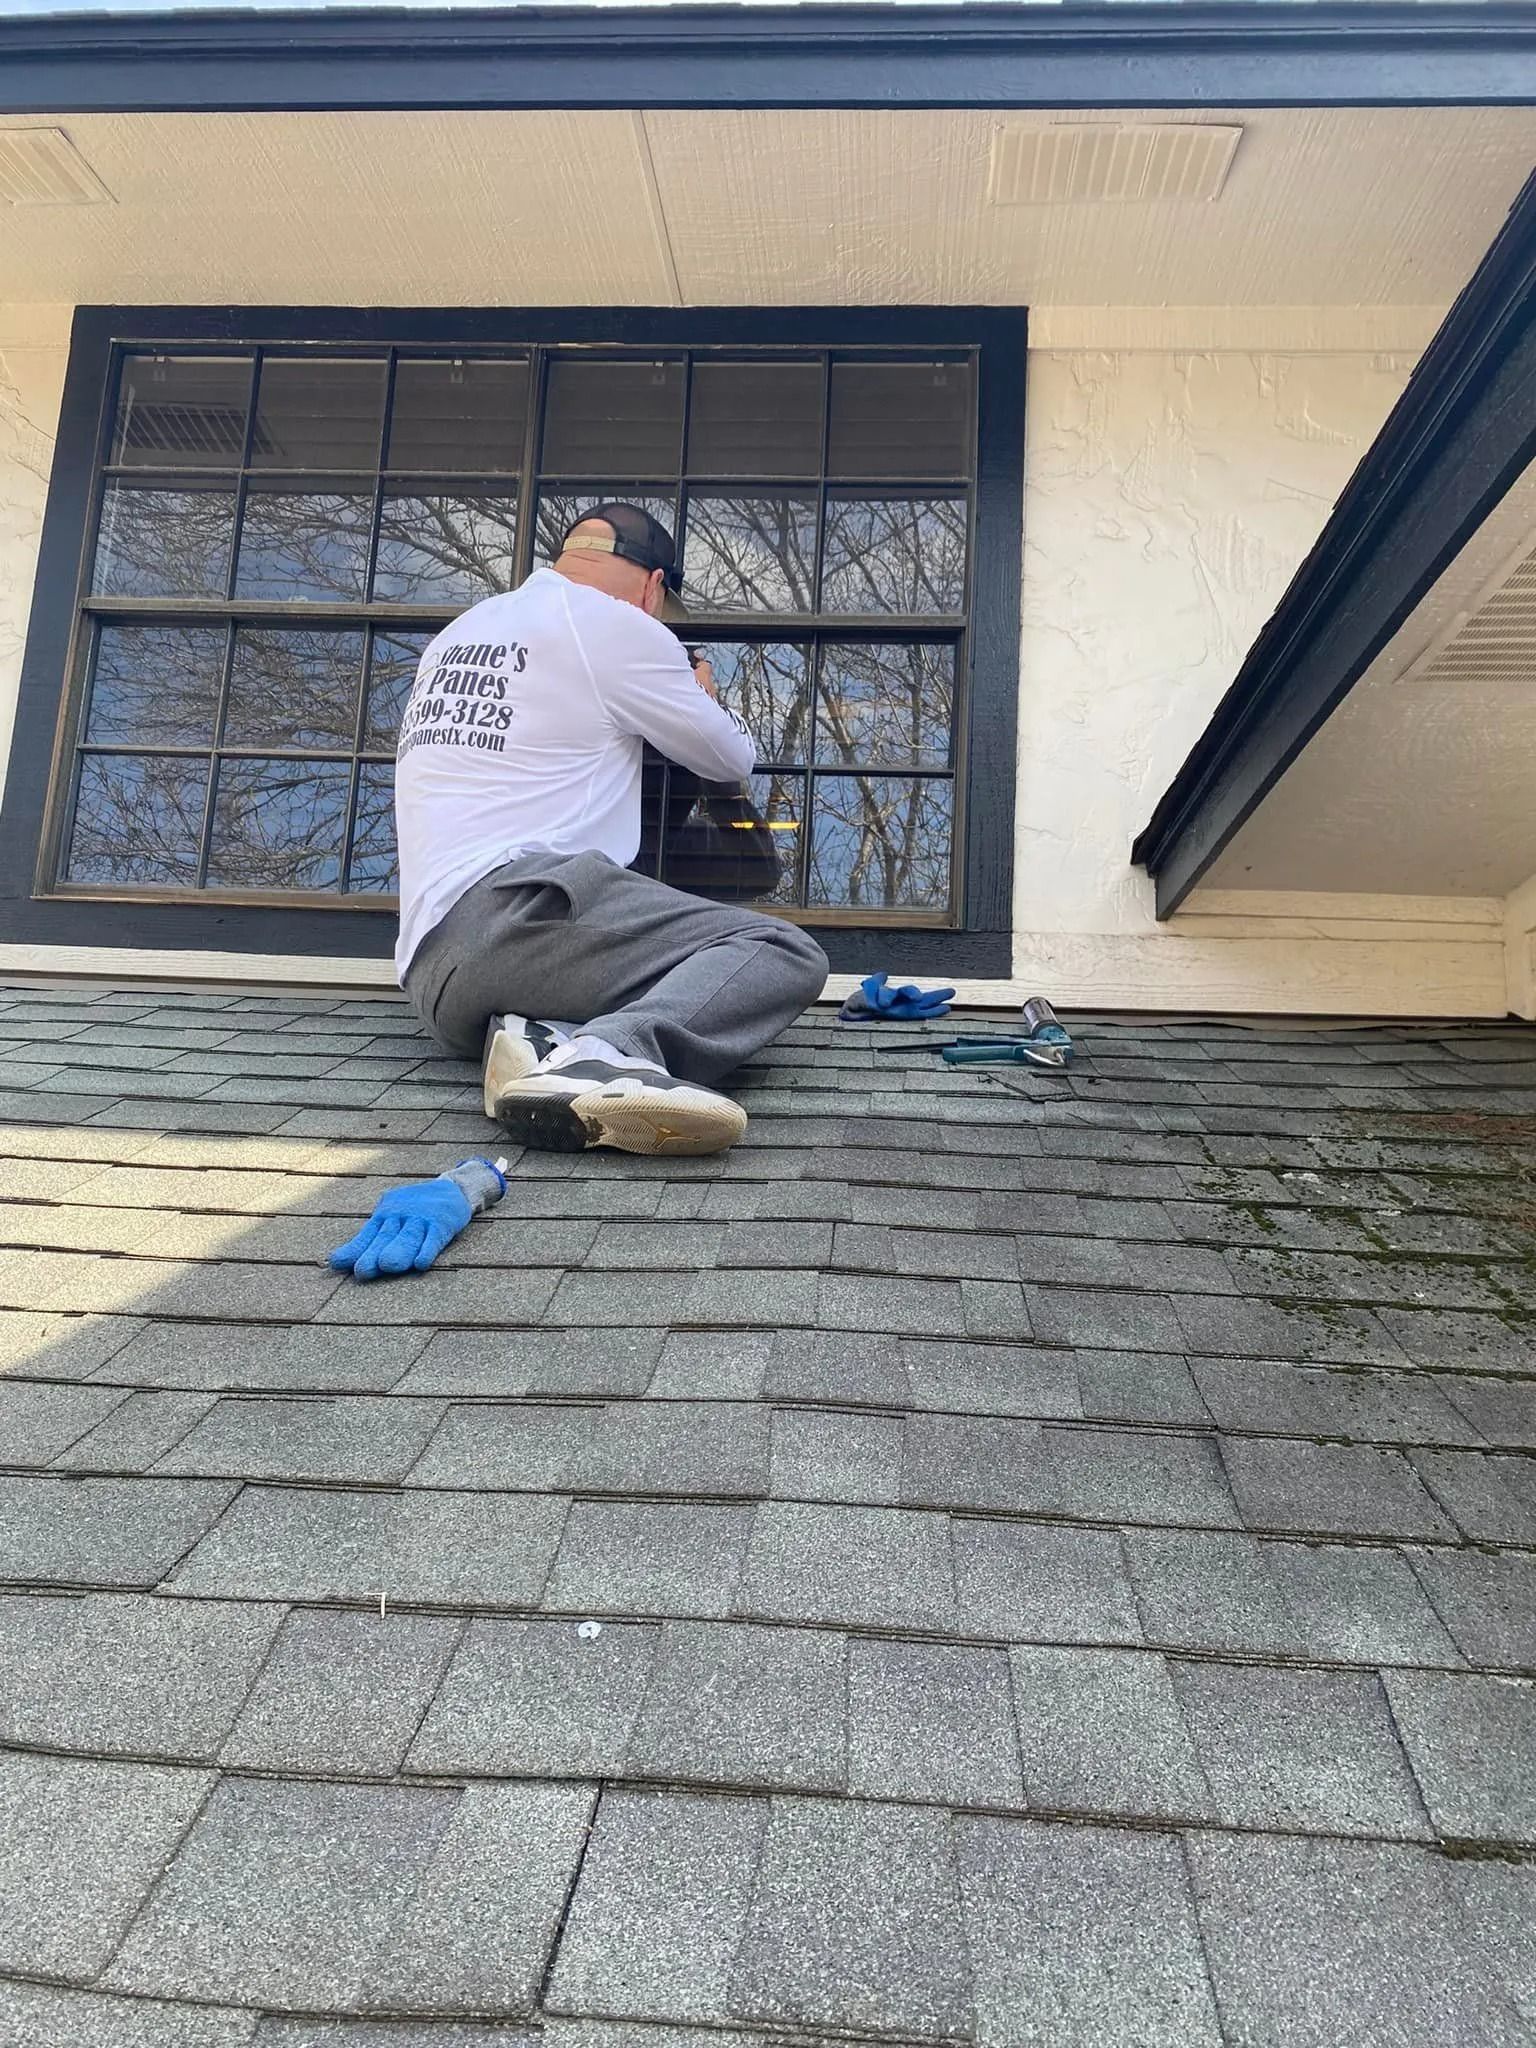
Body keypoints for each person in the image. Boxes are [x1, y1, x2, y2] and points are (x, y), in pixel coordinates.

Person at [394, 503, 829, 1157]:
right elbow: (728, 757)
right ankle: (603, 1056)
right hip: (522, 907)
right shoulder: (614, 625)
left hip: (437, 982)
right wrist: (696, 696)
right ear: (652, 587)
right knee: (779, 950)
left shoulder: (465, 631)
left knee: (647, 944)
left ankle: (537, 1040)